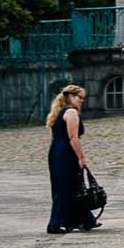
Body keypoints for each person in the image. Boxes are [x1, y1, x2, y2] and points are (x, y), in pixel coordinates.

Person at [44, 84, 98, 235]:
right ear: (71, 97)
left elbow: (53, 137)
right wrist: (81, 157)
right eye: (79, 97)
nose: (81, 101)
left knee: (71, 185)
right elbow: (73, 137)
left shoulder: (57, 113)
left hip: (56, 151)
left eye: (82, 98)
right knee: (67, 187)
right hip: (67, 152)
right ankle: (56, 222)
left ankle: (85, 218)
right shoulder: (71, 112)